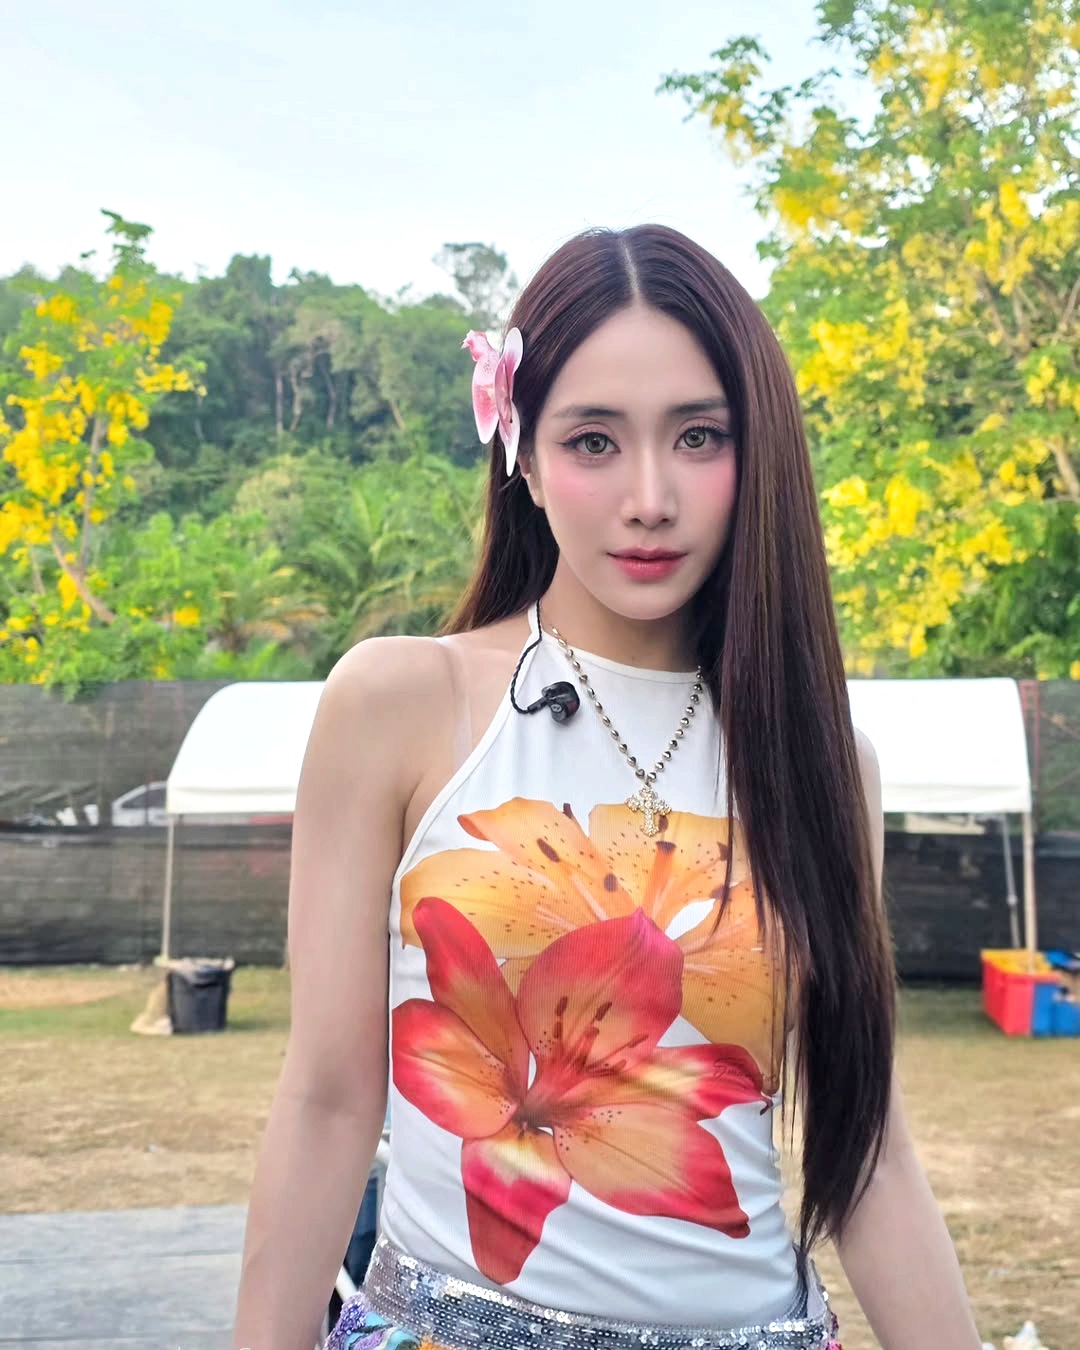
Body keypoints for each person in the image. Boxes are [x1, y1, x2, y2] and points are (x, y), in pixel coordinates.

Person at [232, 225, 984, 1350]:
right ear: (523, 457)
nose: (649, 497)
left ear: (757, 456)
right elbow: (330, 1100)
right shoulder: (401, 703)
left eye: (698, 436)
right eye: (593, 440)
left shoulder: (824, 761)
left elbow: (867, 1154)